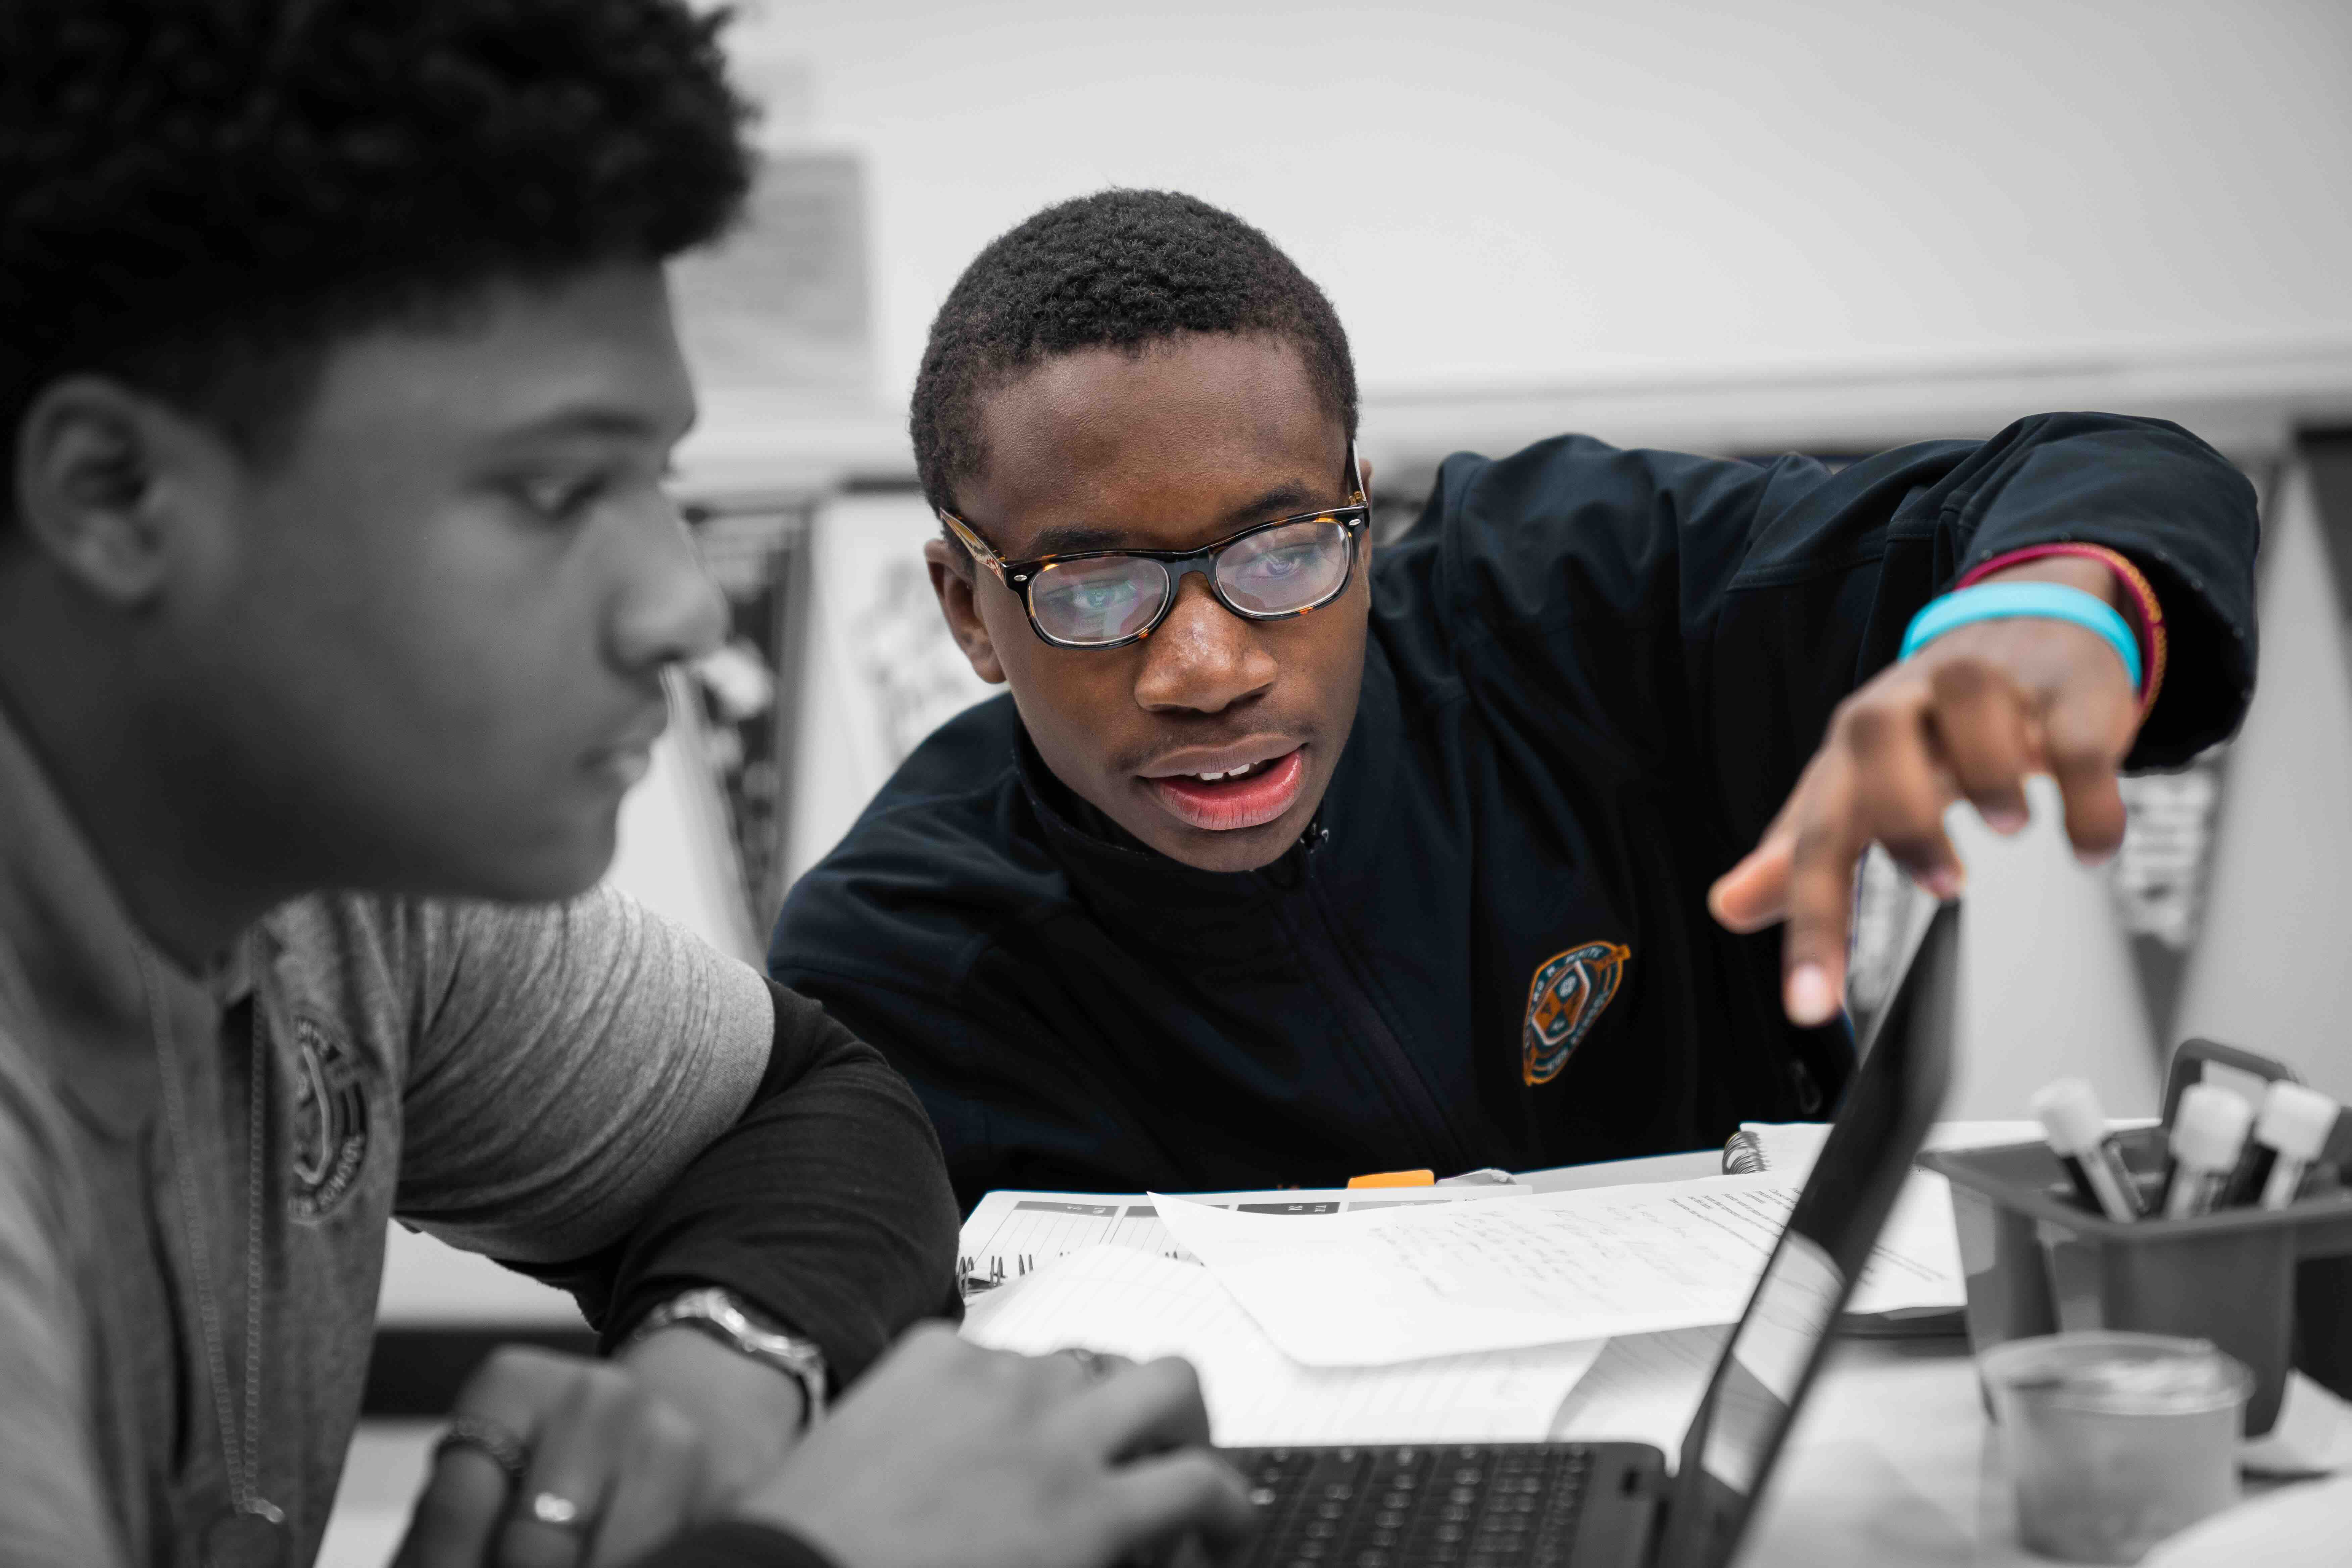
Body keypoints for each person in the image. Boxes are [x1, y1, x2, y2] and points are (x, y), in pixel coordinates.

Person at [0, 8, 1250, 1568]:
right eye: (553, 488)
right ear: (117, 496)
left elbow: (805, 1108)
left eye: (654, 478)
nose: (678, 610)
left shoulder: (345, 897)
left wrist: (724, 1365)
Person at [772, 190, 2262, 1212]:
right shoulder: (901, 956)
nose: (1208, 670)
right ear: (968, 609)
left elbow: (2106, 468)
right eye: (1093, 590)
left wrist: (2045, 605)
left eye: (1285, 552)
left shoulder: (1570, 607)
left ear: (1364, 513)